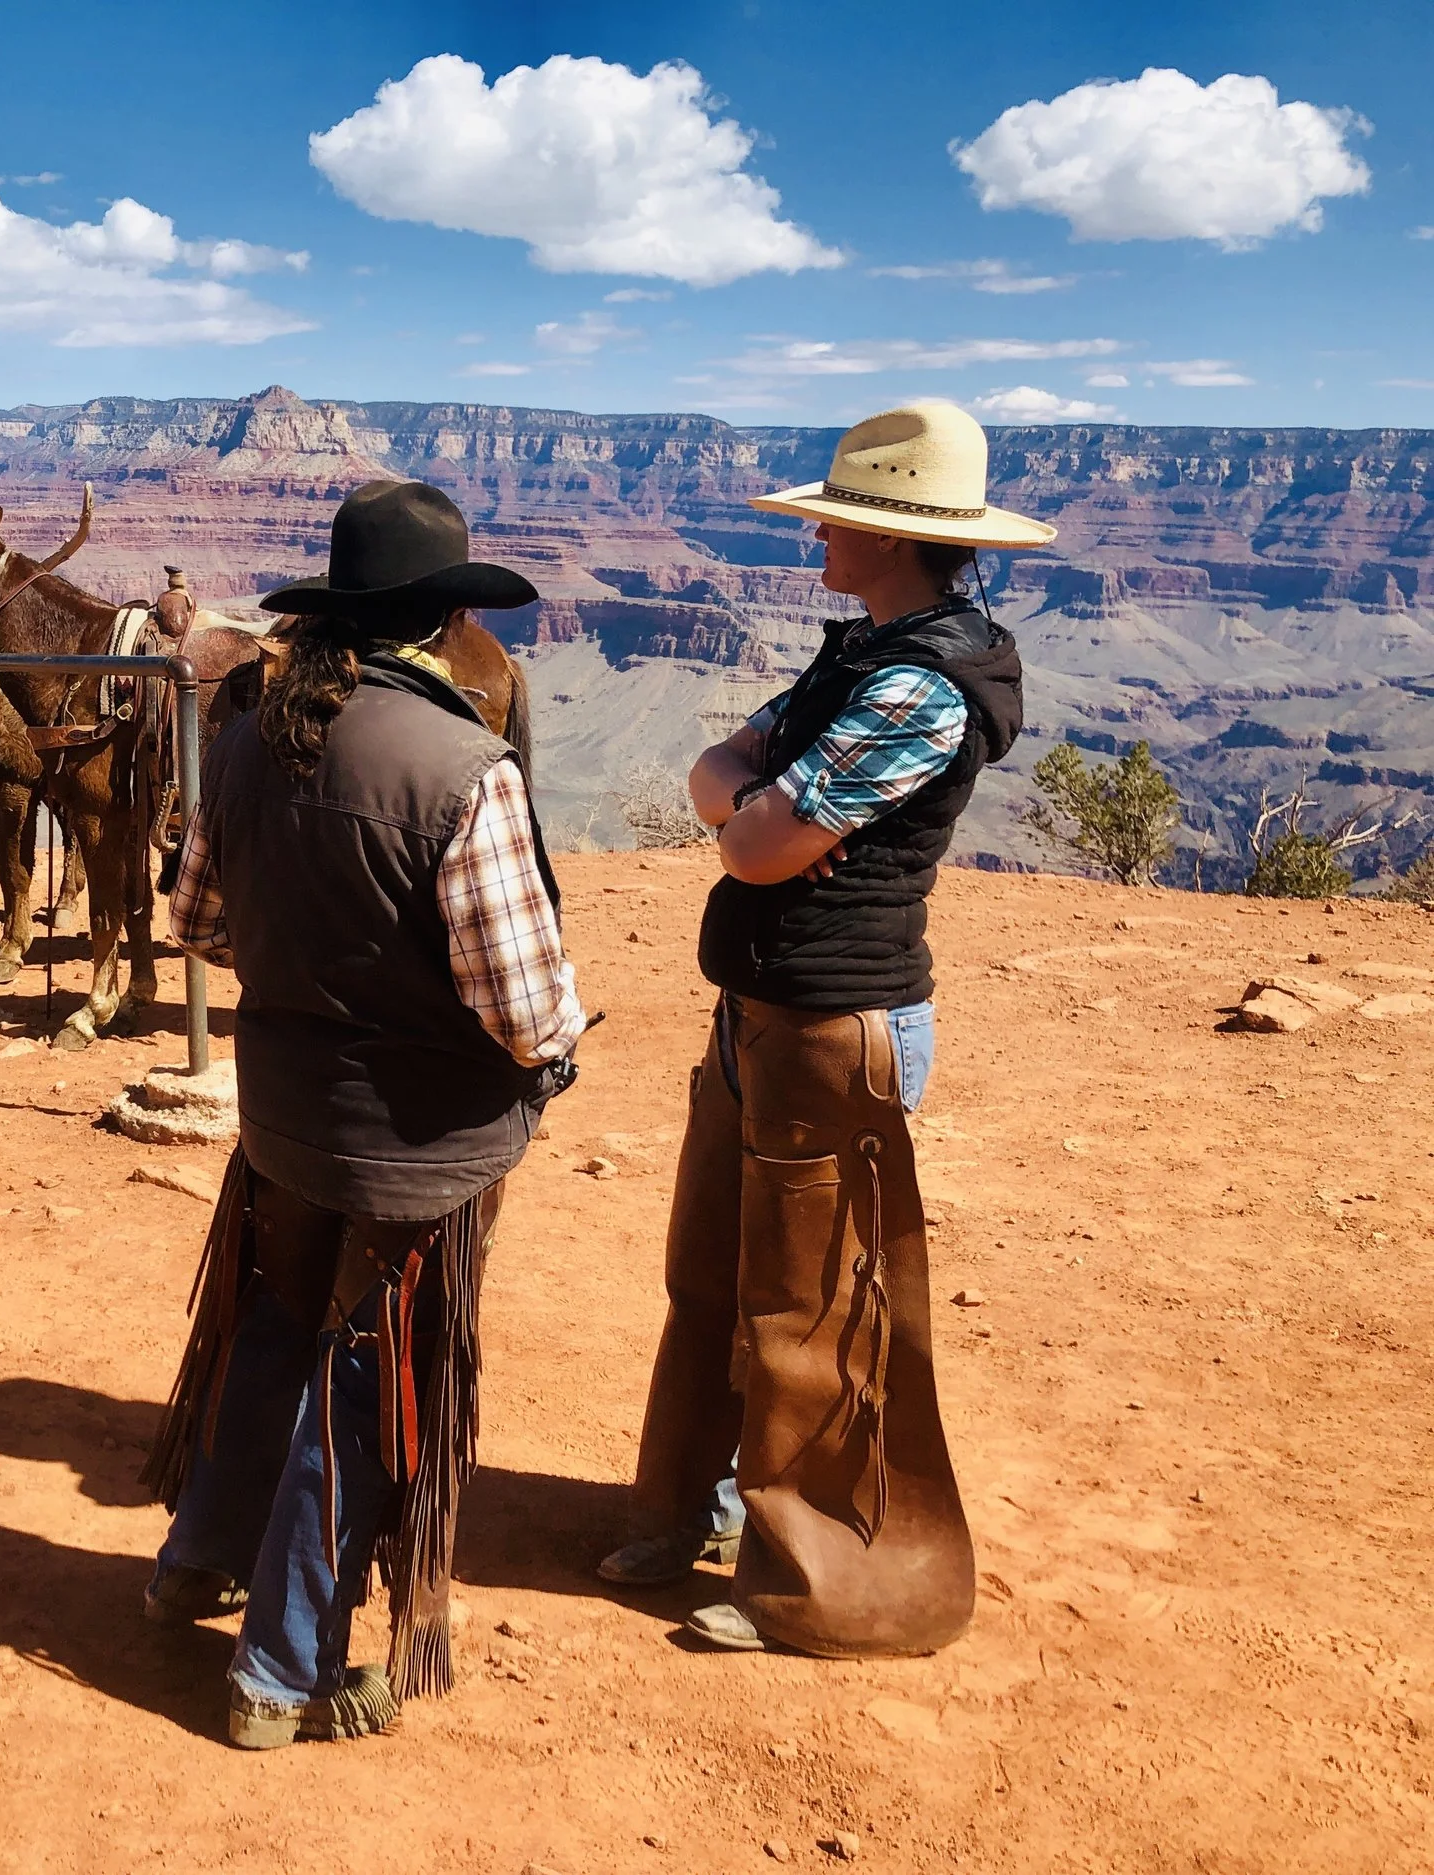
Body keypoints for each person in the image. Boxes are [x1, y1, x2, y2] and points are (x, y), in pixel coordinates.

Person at [599, 401, 1053, 1656]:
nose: (816, 546)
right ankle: (679, 1510)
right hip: (757, 1015)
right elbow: (725, 771)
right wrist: (749, 800)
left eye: (835, 525)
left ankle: (823, 1583)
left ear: (894, 540)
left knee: (808, 1312)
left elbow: (749, 836)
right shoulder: (862, 651)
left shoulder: (921, 685)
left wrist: (747, 805)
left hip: (836, 1026)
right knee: (708, 1280)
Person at [140, 480, 588, 1746]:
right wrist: (554, 1058)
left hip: (281, 1119)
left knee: (272, 1329)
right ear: (449, 616)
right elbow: (522, 1009)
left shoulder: (241, 741)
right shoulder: (463, 767)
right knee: (365, 1386)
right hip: (421, 1150)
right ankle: (281, 1673)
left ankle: (193, 1560)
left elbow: (197, 929)